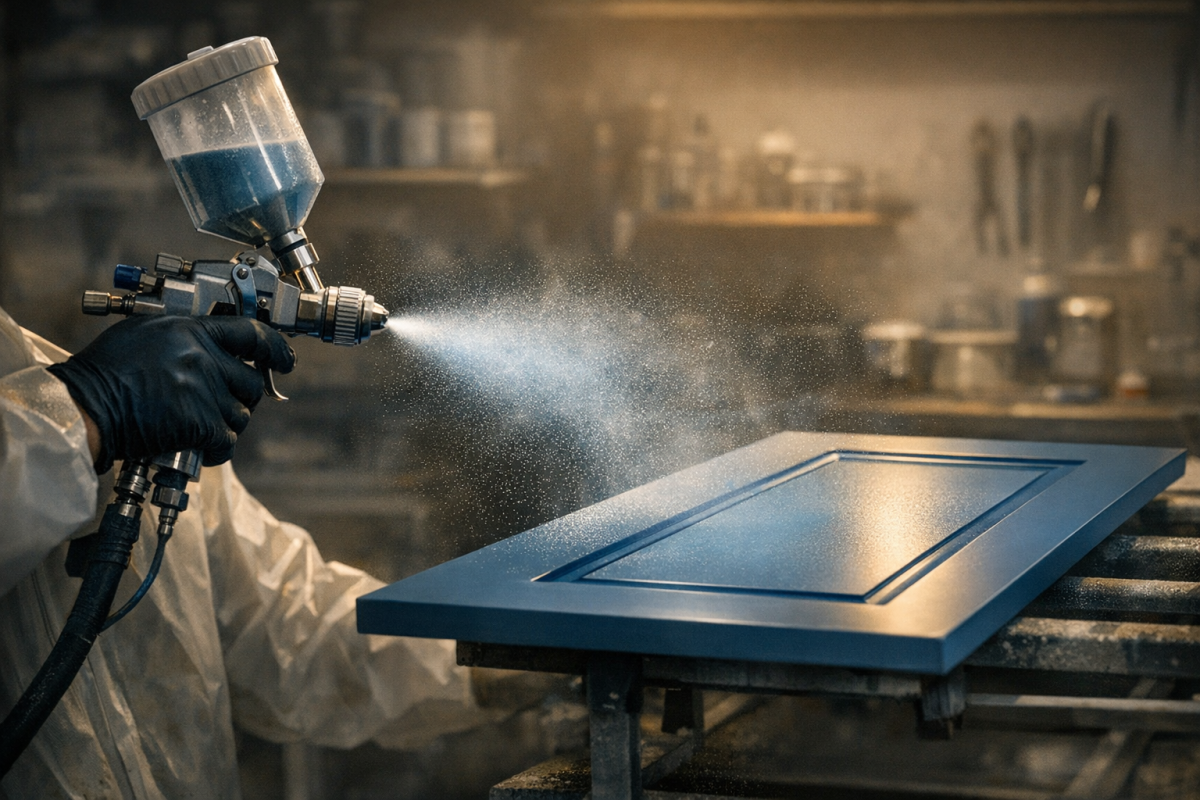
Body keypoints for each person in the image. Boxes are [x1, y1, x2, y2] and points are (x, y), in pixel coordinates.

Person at [0, 307, 487, 798]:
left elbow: (289, 624)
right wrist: (78, 414)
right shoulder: (101, 390)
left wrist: (477, 660)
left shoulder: (131, 394)